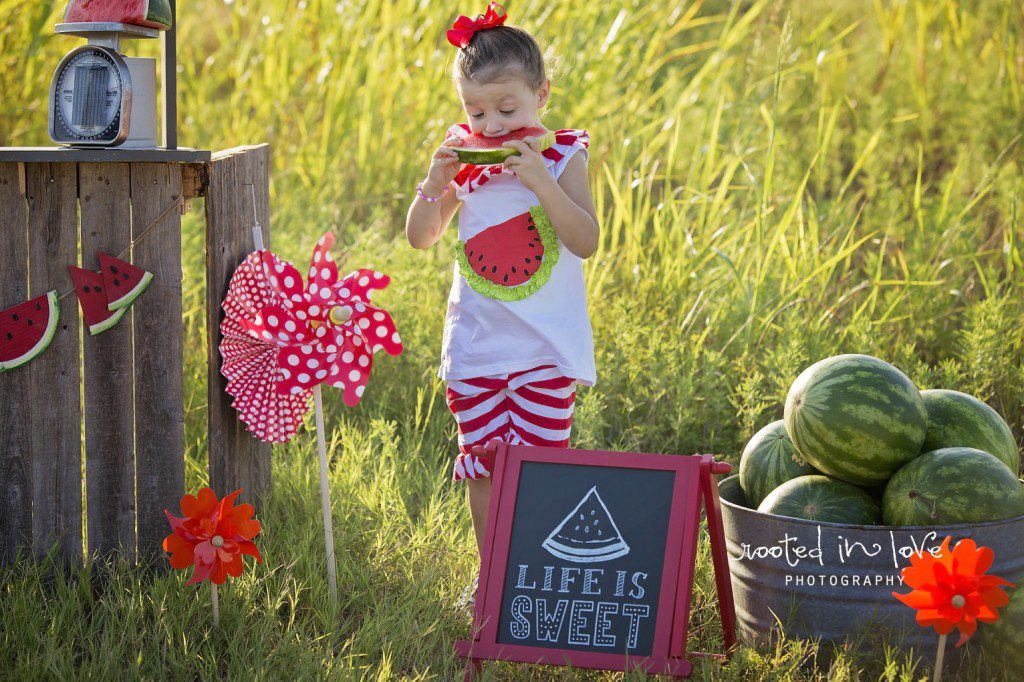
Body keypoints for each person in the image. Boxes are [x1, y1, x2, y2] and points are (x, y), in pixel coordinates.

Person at [405, 1, 598, 609]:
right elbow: (421, 236)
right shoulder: (467, 161)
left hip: (545, 352)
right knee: (482, 468)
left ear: (541, 93)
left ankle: (537, 576)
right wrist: (434, 186)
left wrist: (541, 180)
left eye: (507, 110)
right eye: (475, 111)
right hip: (478, 348)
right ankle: (493, 580)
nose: (490, 126)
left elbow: (586, 240)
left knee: (541, 470)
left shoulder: (564, 154)